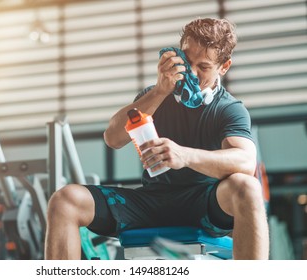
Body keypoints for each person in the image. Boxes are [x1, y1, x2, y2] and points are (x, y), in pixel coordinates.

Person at [45, 18, 269, 260]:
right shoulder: (153, 96)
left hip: (204, 205)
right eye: (187, 62)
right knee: (65, 200)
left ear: (224, 67)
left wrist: (184, 155)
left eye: (203, 67)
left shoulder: (229, 109)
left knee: (247, 187)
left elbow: (245, 162)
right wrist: (160, 91)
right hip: (151, 203)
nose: (191, 74)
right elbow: (113, 138)